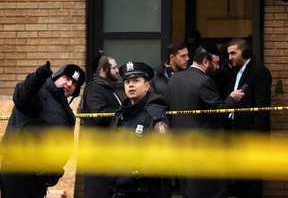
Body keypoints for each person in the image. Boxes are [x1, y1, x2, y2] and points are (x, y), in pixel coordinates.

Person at [167, 46, 245, 198]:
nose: (217, 67)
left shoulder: (174, 79)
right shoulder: (204, 81)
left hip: (181, 145)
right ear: (205, 61)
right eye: (215, 63)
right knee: (210, 191)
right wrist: (231, 98)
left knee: (188, 191)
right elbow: (218, 111)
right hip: (205, 148)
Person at [0, 61, 85, 198]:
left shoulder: (68, 114)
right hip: (16, 169)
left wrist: (54, 171)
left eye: (74, 84)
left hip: (39, 179)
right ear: (57, 77)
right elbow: (21, 98)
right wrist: (37, 77)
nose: (69, 84)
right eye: (67, 79)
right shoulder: (37, 92)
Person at [109, 61, 170, 198]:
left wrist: (136, 172)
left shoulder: (155, 115)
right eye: (127, 82)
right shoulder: (120, 115)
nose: (130, 85)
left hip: (144, 191)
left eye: (136, 81)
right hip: (118, 189)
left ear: (147, 86)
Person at [225, 38, 272, 198]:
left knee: (252, 181)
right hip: (235, 134)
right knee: (239, 180)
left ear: (245, 52)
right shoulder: (235, 71)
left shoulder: (259, 71)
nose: (230, 57)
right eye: (228, 54)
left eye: (233, 53)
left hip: (250, 137)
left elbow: (262, 109)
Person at [78, 55, 122, 198]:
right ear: (103, 70)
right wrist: (124, 113)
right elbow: (100, 114)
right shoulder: (96, 89)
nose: (117, 71)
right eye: (114, 67)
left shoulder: (107, 89)